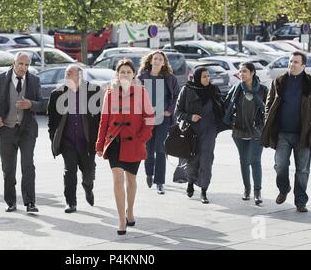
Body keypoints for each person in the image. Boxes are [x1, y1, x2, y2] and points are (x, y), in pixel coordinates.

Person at [96, 59, 154, 235]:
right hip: (114, 142)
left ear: (133, 74)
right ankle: (121, 220)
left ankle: (130, 211)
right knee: (118, 179)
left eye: (128, 72)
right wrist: (99, 144)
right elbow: (104, 120)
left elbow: (150, 118)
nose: (125, 75)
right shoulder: (110, 93)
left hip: (134, 143)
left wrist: (142, 138)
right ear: (117, 74)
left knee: (131, 180)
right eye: (122, 72)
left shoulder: (141, 92)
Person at [261, 51, 311, 212]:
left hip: (304, 134)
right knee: (280, 165)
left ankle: (301, 201)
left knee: (302, 170)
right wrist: (268, 119)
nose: (292, 64)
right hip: (282, 133)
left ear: (303, 65)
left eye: (296, 62)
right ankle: (284, 188)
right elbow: (268, 104)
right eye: (291, 61)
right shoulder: (279, 81)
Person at [0, 52, 41, 213]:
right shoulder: (1, 79)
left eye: (27, 65)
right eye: (21, 64)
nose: (24, 68)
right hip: (6, 130)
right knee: (8, 168)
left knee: (28, 166)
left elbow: (41, 103)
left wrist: (30, 104)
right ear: (14, 63)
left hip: (27, 130)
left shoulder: (34, 80)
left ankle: (30, 202)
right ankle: (10, 201)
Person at [47, 65, 102, 213]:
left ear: (79, 76)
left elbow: (101, 118)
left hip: (87, 141)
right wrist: (54, 139)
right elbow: (52, 121)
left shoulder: (94, 91)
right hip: (68, 142)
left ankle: (88, 188)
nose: (67, 76)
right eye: (66, 74)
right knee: (69, 171)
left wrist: (100, 140)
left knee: (88, 172)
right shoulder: (57, 94)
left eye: (70, 74)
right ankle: (70, 202)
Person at [174, 67, 225, 204]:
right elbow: (177, 112)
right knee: (192, 160)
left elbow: (222, 107)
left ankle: (203, 190)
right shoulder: (187, 90)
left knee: (207, 159)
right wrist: (190, 117)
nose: (207, 79)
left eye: (208, 76)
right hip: (191, 131)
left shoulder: (214, 90)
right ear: (197, 77)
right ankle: (190, 183)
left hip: (210, 130)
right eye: (204, 76)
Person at [224, 62, 268, 205]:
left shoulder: (262, 90)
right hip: (239, 130)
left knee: (255, 161)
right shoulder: (237, 88)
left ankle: (257, 192)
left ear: (252, 73)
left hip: (257, 131)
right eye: (240, 71)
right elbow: (227, 105)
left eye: (244, 71)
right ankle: (247, 189)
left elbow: (268, 110)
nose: (241, 74)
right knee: (244, 161)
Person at [137, 51, 179, 194]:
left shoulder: (169, 78)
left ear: (164, 63)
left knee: (160, 149)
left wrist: (169, 110)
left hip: (163, 119)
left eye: (160, 59)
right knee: (148, 149)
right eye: (155, 58)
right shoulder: (142, 77)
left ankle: (160, 182)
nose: (157, 61)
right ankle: (149, 173)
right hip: (146, 119)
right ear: (150, 61)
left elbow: (176, 97)